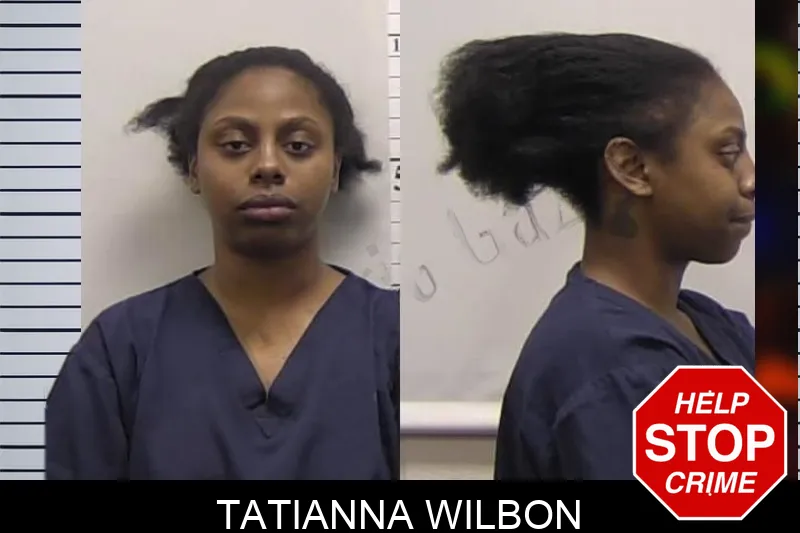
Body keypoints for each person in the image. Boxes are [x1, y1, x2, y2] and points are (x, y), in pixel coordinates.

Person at [45, 47, 399, 480]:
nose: (267, 165)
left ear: (335, 169)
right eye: (235, 145)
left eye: (298, 146)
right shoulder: (119, 351)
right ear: (194, 169)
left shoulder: (394, 338)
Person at [434, 33, 755, 480]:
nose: (750, 179)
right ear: (631, 167)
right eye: (728, 154)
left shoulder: (712, 324)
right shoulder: (617, 371)